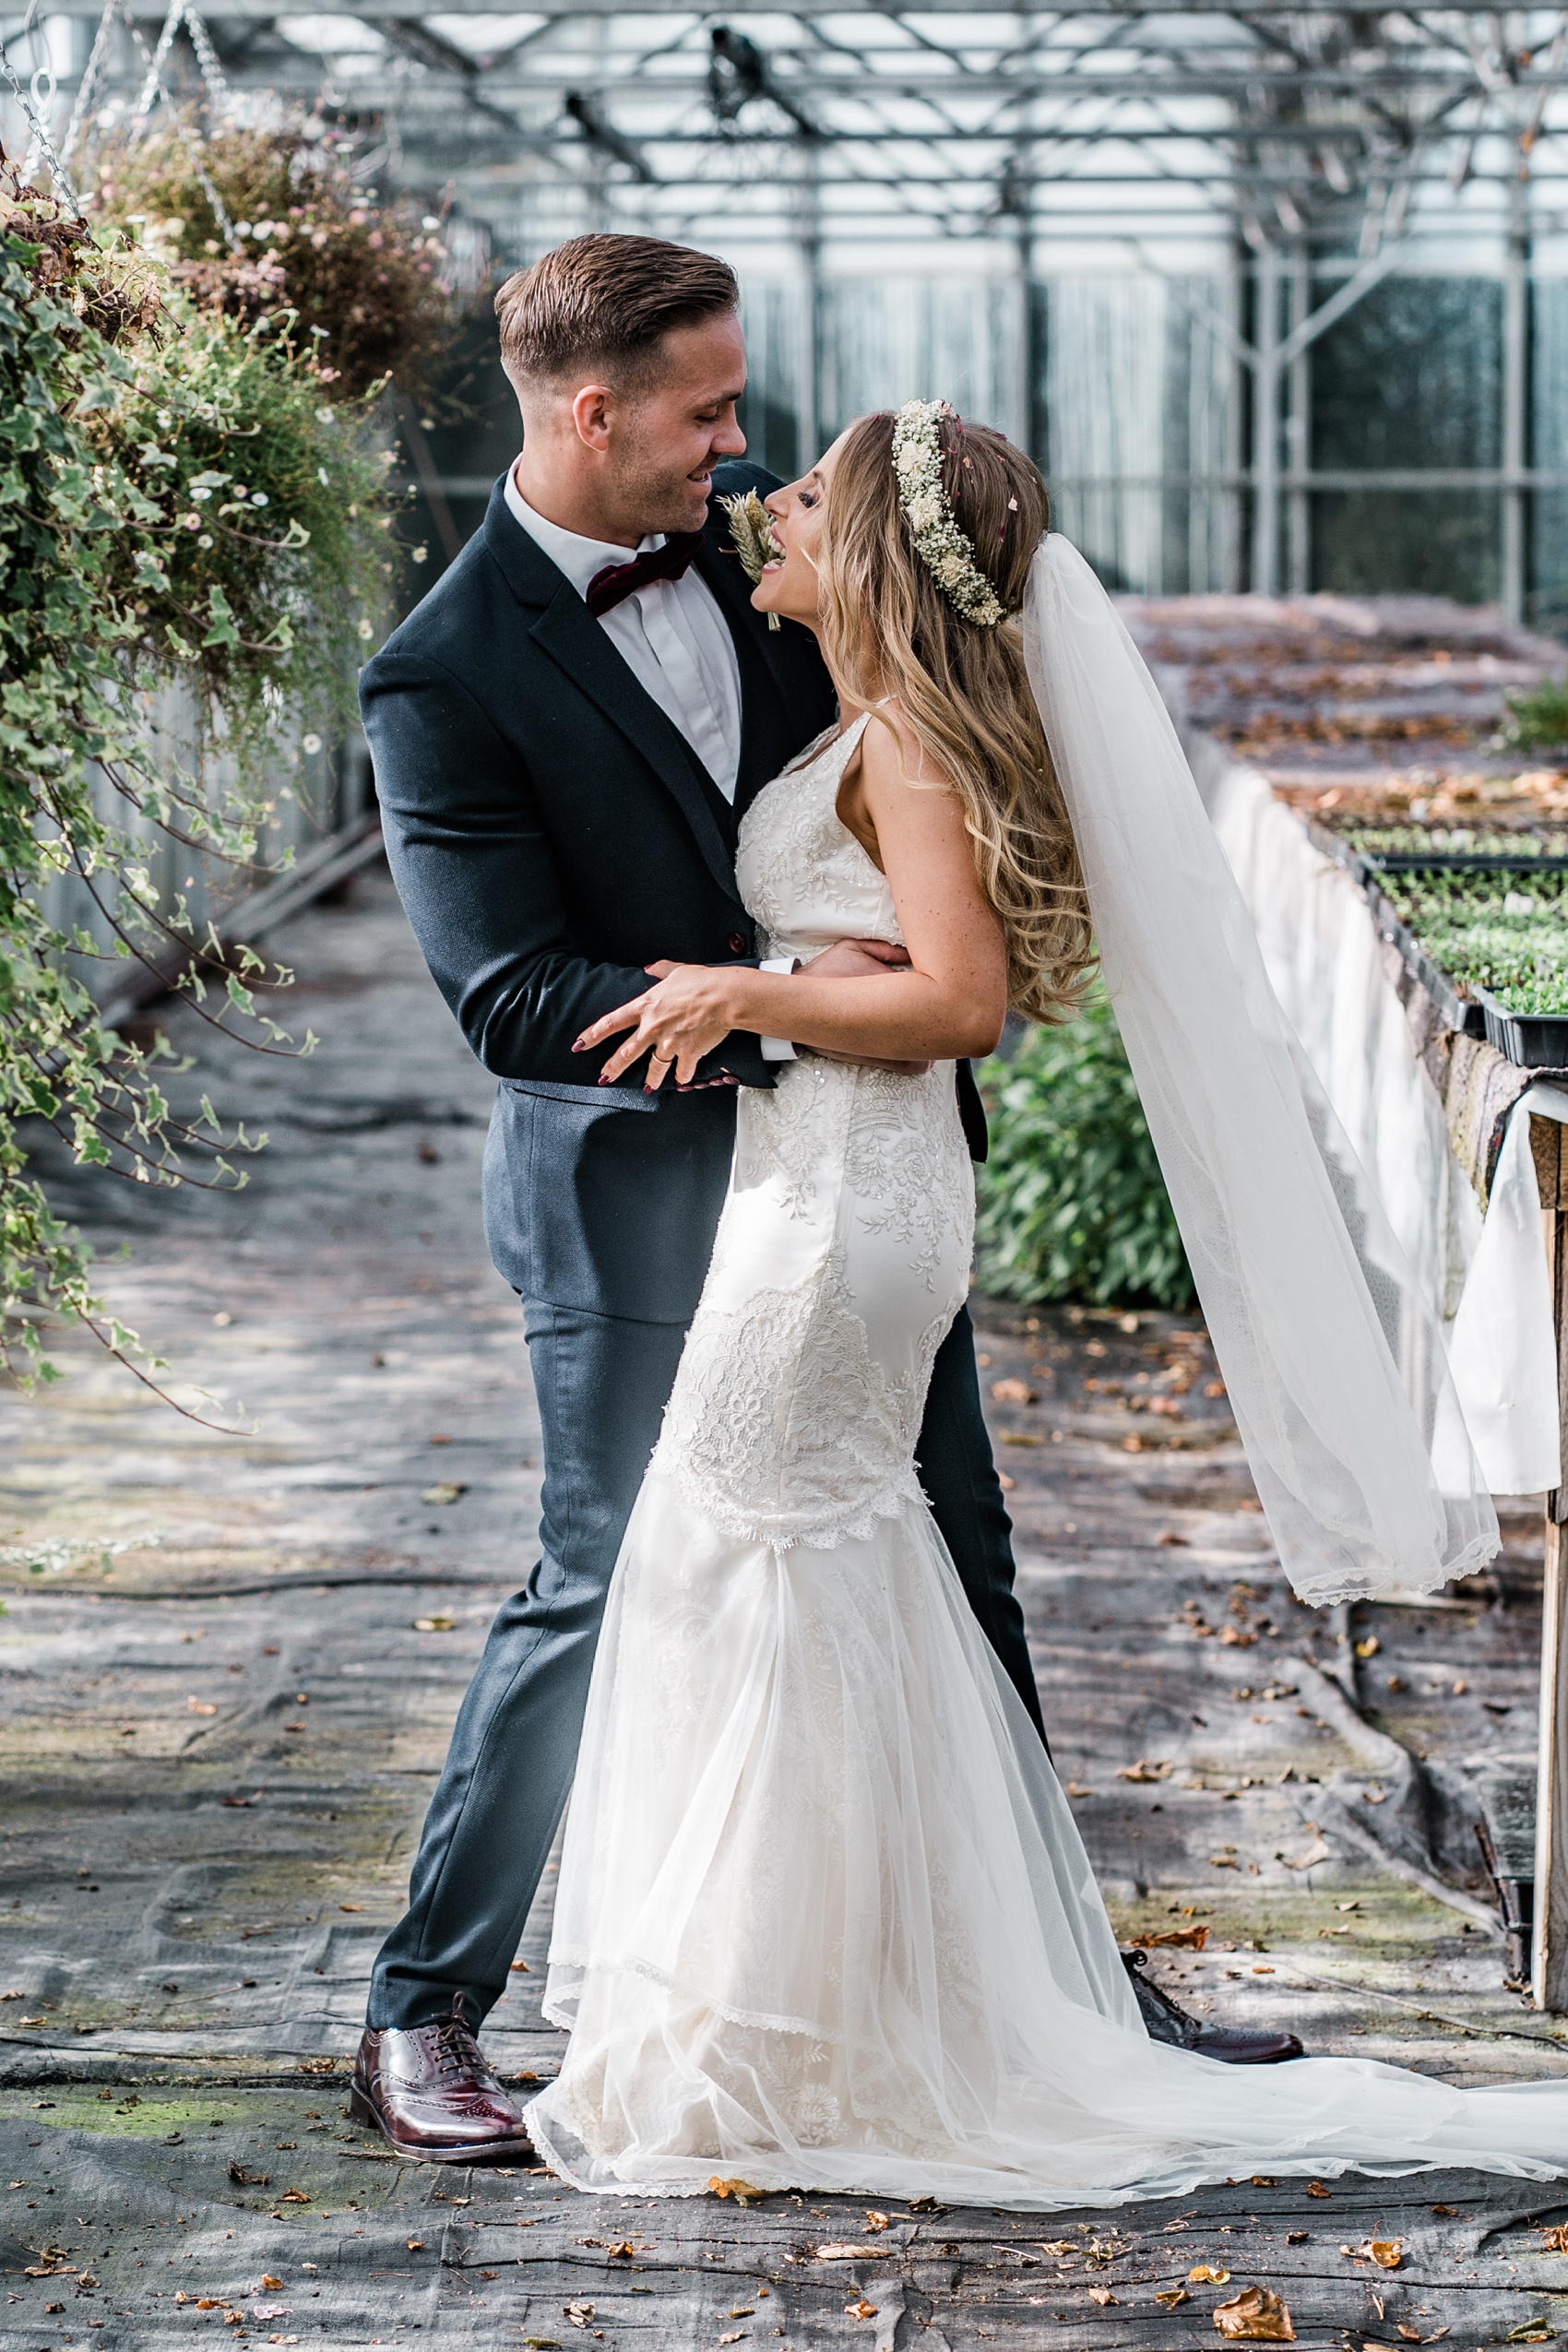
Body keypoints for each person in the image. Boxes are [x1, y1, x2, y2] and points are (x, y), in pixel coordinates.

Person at [517, 404, 1565, 2204]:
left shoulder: (906, 739)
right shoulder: (863, 717)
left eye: (806, 494)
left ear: (867, 547)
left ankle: (796, 2031)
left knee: (747, 1547)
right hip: (818, 1180)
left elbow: (963, 1002)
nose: (768, 500)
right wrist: (778, 973)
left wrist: (739, 991)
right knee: (790, 1557)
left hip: (853, 1199)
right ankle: (814, 2014)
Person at [354, 235, 1296, 2166]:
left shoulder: (763, 565)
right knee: (608, 1571)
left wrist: (895, 1006)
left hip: (858, 1189)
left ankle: (1041, 1985)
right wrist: (814, 1026)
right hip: (636, 1191)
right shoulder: (438, 671)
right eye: (706, 409)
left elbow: (924, 772)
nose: (740, 438)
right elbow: (510, 996)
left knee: (955, 1539)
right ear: (590, 408)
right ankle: (423, 2008)